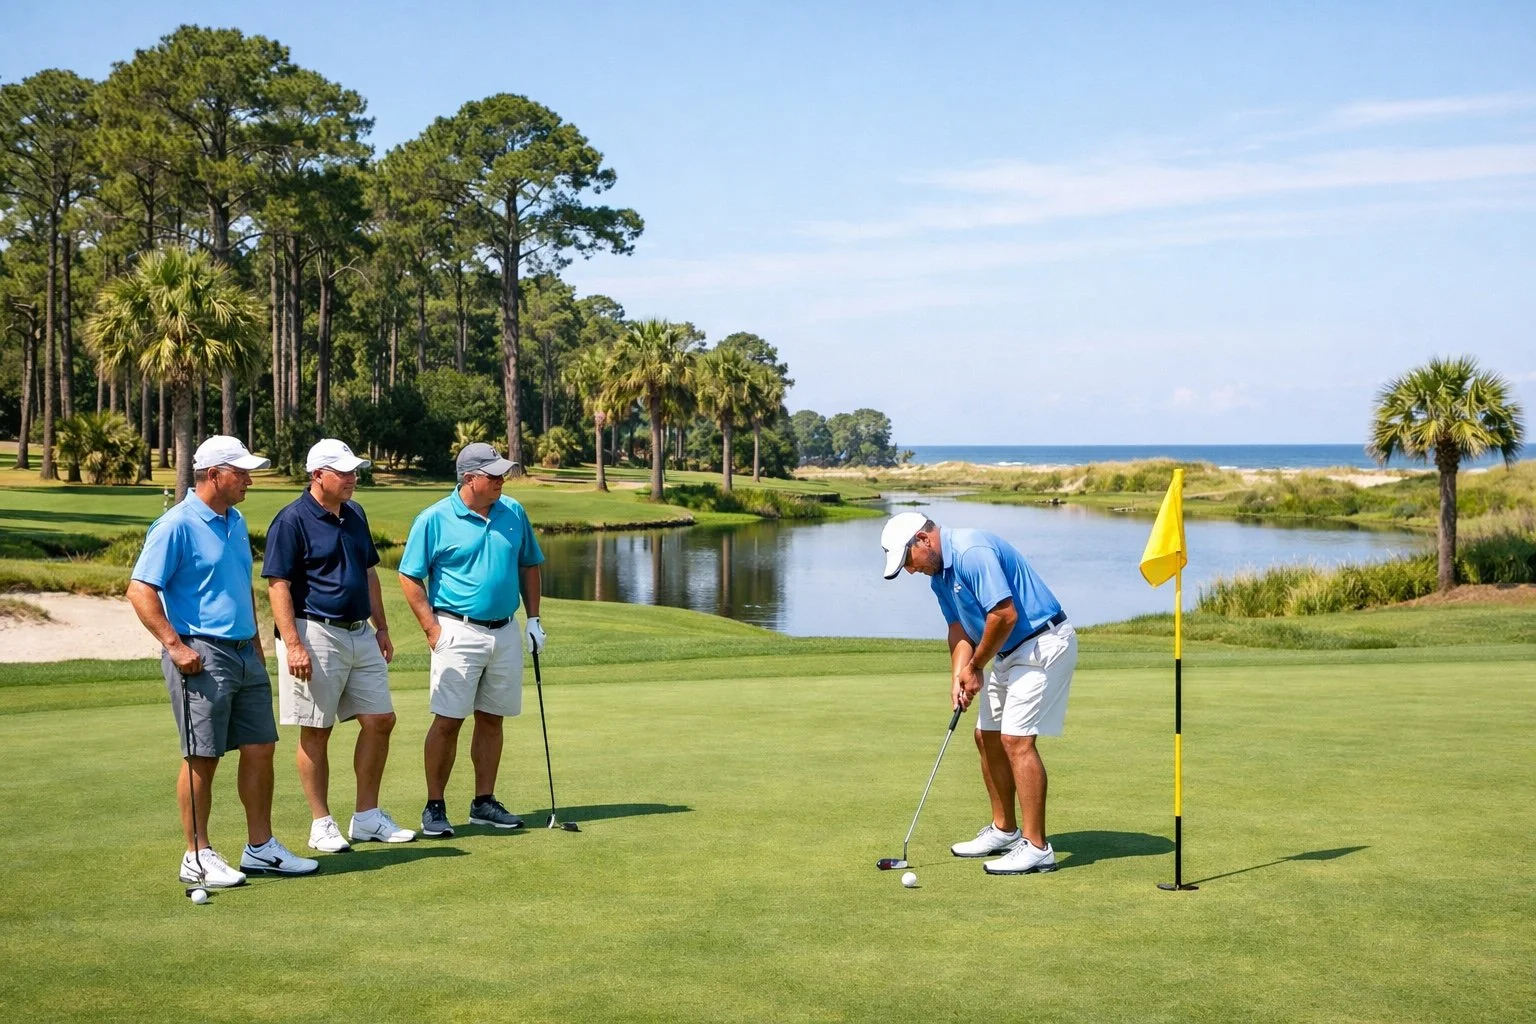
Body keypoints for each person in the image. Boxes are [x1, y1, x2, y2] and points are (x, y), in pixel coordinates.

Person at [127, 435, 319, 887]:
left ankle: (260, 848)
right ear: (214, 475)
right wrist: (175, 646)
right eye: (241, 472)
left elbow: (238, 588)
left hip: (243, 652)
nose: (249, 480)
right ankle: (196, 854)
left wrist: (256, 643)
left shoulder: (234, 521)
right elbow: (140, 590)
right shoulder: (175, 525)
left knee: (260, 747)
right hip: (201, 654)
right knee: (203, 756)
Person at [879, 511, 1078, 875]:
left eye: (908, 560)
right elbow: (958, 629)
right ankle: (1004, 830)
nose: (909, 569)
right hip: (1006, 651)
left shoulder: (971, 551)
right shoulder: (938, 576)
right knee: (986, 737)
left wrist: (976, 667)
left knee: (1016, 741)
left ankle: (1037, 847)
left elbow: (1004, 615)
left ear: (923, 540)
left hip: (1042, 644)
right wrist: (959, 674)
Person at [262, 438, 416, 853]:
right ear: (318, 476)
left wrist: (381, 627)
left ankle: (367, 817)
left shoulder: (355, 513)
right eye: (344, 472)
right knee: (317, 729)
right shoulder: (291, 520)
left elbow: (368, 573)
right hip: (314, 632)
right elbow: (279, 585)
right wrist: (293, 644)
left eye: (353, 471)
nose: (353, 478)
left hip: (359, 632)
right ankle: (321, 823)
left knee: (381, 719)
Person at [398, 442, 546, 838]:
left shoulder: (513, 512)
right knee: (448, 720)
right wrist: (431, 629)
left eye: (502, 474)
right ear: (469, 479)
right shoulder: (434, 519)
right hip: (456, 628)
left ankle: (484, 802)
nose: (502, 480)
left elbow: (529, 564)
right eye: (493, 475)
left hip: (505, 629)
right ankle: (434, 806)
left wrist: (533, 619)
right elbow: (410, 576)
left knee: (493, 718)